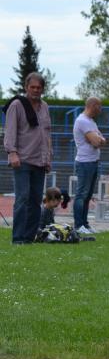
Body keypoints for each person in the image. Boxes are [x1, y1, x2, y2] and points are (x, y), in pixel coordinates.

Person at [2, 72, 52, 244]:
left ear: (43, 89)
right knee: (22, 199)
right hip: (22, 160)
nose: (36, 90)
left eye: (39, 87)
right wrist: (12, 152)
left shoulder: (45, 107)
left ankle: (29, 237)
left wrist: (48, 158)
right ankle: (18, 238)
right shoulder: (16, 105)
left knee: (36, 200)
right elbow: (10, 131)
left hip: (40, 160)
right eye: (32, 87)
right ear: (26, 87)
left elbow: (47, 134)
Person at [73, 97, 106, 237]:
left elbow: (102, 140)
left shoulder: (91, 122)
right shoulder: (82, 121)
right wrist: (97, 139)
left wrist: (97, 139)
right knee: (81, 194)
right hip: (84, 163)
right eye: (99, 106)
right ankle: (78, 225)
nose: (100, 109)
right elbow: (96, 142)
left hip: (93, 162)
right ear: (93, 105)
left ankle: (85, 224)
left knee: (88, 196)